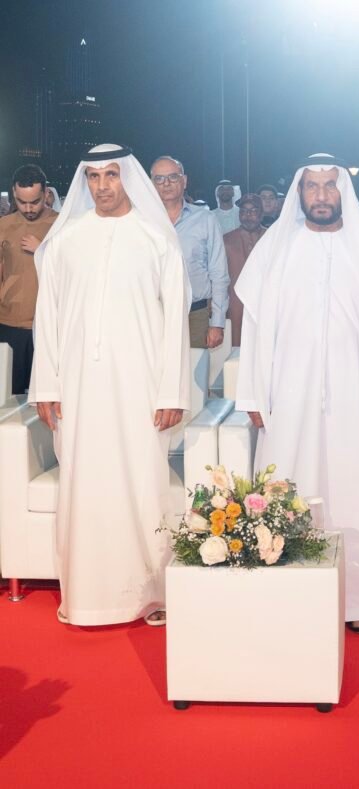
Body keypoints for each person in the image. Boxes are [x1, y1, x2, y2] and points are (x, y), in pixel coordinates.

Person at [235, 153, 359, 633]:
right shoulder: (275, 250)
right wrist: (252, 395)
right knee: (287, 486)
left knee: (358, 491)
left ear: (342, 192)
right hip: (287, 395)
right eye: (311, 186)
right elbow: (254, 330)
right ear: (299, 193)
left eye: (329, 185)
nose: (320, 195)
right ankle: (285, 593)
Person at [29, 144, 191, 627]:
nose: (102, 186)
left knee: (142, 484)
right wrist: (46, 385)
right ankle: (87, 597)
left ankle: (150, 595)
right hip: (78, 387)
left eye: (112, 175)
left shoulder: (156, 239)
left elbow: (175, 323)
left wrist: (172, 391)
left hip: (141, 387)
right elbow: (47, 318)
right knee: (84, 485)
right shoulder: (65, 241)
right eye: (94, 176)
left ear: (128, 178)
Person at [151, 156, 229, 350]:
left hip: (196, 315)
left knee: (195, 368)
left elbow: (219, 273)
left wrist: (217, 322)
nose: (166, 183)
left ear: (184, 181)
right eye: (159, 179)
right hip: (153, 315)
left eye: (173, 177)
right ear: (151, 183)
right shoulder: (142, 221)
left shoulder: (205, 219)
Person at [1, 165, 57, 394]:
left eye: (34, 202)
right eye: (22, 202)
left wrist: (43, 251)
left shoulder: (62, 225)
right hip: (9, 323)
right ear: (14, 194)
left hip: (49, 326)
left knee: (46, 395)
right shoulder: (4, 225)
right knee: (8, 395)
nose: (28, 208)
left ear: (46, 193)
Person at [222, 193, 266, 347]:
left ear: (261, 213)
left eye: (253, 211)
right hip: (236, 305)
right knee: (237, 348)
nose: (248, 215)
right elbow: (219, 276)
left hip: (265, 303)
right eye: (243, 211)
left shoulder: (272, 237)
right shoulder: (226, 240)